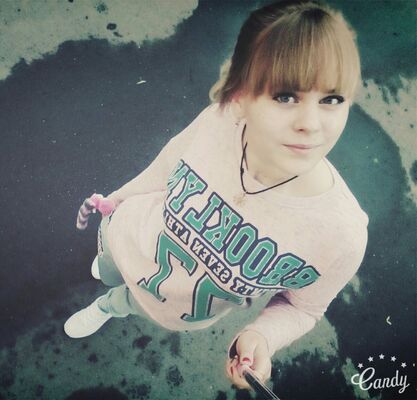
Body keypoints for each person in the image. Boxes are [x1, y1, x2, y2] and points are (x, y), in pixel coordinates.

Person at [64, 0, 368, 390]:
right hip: (127, 232)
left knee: (126, 301)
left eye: (332, 99)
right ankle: (107, 270)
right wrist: (118, 202)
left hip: (169, 303)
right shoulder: (219, 122)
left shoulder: (340, 236)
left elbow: (304, 308)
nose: (311, 124)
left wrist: (261, 336)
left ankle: (107, 306)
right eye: (285, 96)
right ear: (239, 95)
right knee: (108, 265)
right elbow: (165, 167)